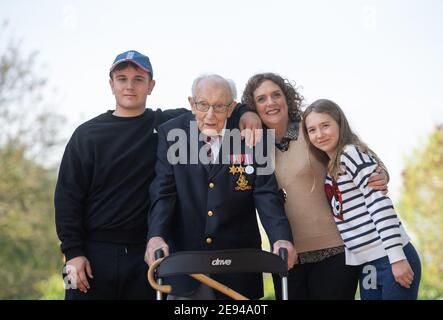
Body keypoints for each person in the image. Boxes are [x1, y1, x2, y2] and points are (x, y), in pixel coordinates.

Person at [54, 51, 262, 300]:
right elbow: (66, 197)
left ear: (151, 86)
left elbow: (214, 106)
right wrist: (73, 252)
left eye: (138, 79)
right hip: (89, 252)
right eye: (122, 78)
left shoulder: (167, 123)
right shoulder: (86, 134)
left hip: (147, 254)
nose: (130, 86)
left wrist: (248, 113)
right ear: (111, 85)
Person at [145, 74, 296, 300]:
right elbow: (163, 192)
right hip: (186, 265)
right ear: (191, 103)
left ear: (231, 107)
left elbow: (265, 193)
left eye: (218, 106)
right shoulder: (171, 133)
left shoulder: (253, 136)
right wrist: (156, 236)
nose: (209, 115)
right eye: (203, 104)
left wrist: (281, 237)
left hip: (239, 267)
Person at [241, 73, 389, 300]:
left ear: (286, 98)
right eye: (261, 99)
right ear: (253, 107)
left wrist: (381, 172)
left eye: (276, 95)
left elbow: (354, 149)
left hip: (334, 251)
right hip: (286, 257)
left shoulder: (309, 130)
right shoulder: (254, 145)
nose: (270, 102)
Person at [302, 98, 421, 300]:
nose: (319, 134)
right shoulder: (332, 166)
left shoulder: (350, 153)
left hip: (390, 257)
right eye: (312, 130)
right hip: (367, 264)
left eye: (325, 126)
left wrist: (396, 257)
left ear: (340, 124)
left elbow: (379, 204)